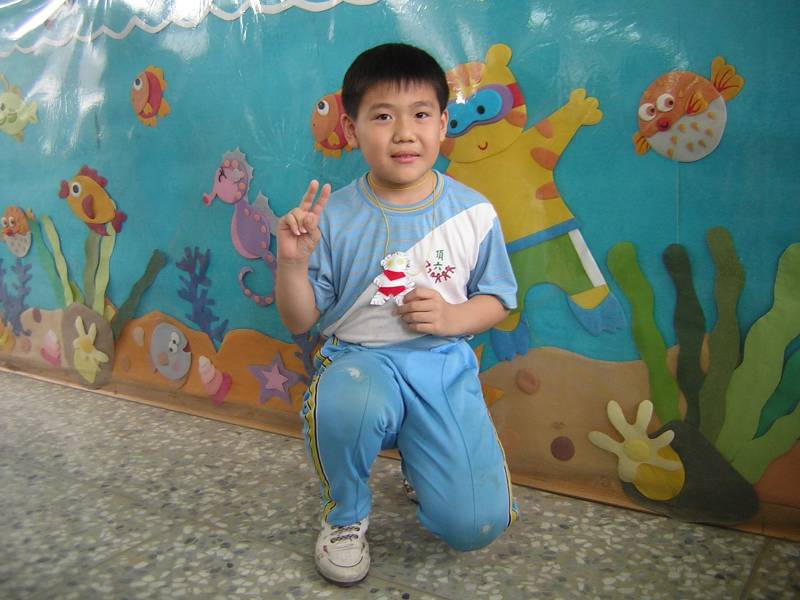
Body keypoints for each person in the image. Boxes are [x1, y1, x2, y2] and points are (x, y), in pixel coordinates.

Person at [276, 42, 518, 586]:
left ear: (444, 123)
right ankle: (345, 515)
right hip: (359, 363)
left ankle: (421, 459)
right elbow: (299, 321)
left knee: (476, 525)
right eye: (383, 116)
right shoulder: (331, 214)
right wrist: (291, 263)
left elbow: (499, 298)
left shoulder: (474, 212)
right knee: (350, 397)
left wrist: (453, 318)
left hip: (441, 368)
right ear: (351, 128)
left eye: (421, 115)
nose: (405, 133)